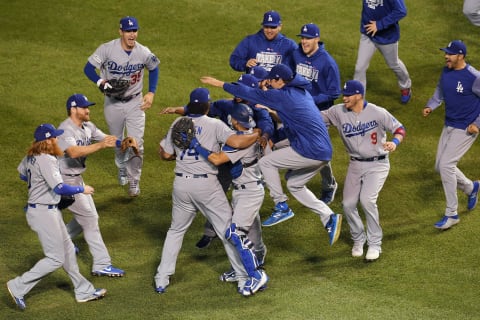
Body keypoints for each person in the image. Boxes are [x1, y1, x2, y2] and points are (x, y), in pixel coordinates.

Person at [201, 64, 342, 246]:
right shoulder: (301, 93)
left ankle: (281, 205)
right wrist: (274, 119)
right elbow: (294, 119)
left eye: (271, 80)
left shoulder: (282, 95)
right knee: (295, 184)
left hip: (311, 150)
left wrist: (220, 83)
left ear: (280, 80)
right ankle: (328, 217)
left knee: (267, 163)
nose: (267, 82)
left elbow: (251, 94)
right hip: (323, 150)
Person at [154, 88, 268, 297]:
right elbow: (237, 142)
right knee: (227, 232)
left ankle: (162, 278)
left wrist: (179, 153)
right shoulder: (215, 124)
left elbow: (165, 154)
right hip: (206, 186)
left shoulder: (177, 124)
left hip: (181, 185)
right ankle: (243, 276)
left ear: (189, 105)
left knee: (176, 230)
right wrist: (258, 133)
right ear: (207, 106)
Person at [161, 74, 273, 254]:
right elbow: (202, 108)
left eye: (241, 88)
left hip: (240, 167)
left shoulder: (259, 111)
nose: (236, 91)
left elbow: (265, 129)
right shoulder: (227, 105)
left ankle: (253, 261)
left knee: (240, 222)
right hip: (226, 158)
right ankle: (211, 232)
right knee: (217, 195)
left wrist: (262, 137)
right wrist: (177, 110)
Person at [7, 124, 106, 311]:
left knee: (68, 250)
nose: (57, 140)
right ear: (47, 140)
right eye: (54, 137)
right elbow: (59, 188)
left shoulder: (30, 156)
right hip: (43, 213)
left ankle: (83, 291)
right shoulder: (46, 159)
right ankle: (17, 286)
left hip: (45, 210)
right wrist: (81, 189)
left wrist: (37, 184)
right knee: (55, 258)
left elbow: (22, 174)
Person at [321, 80, 406, 261]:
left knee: (367, 201)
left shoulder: (377, 112)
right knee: (348, 204)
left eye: (348, 95)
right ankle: (358, 239)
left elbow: (399, 128)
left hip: (378, 164)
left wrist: (395, 142)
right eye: (344, 95)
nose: (344, 98)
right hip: (355, 165)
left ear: (359, 95)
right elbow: (315, 117)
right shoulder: (338, 112)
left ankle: (375, 244)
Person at [190, 103, 268, 284]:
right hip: (249, 188)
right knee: (251, 230)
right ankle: (244, 265)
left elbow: (217, 159)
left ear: (234, 120)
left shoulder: (241, 141)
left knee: (236, 234)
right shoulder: (254, 134)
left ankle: (255, 275)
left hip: (249, 191)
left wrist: (197, 145)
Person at [84, 16, 160, 197]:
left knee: (136, 144)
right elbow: (88, 68)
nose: (132, 34)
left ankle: (134, 180)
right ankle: (121, 167)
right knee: (118, 142)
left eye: (134, 30)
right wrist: (99, 81)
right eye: (128, 31)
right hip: (113, 103)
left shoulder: (143, 52)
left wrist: (151, 92)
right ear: (121, 32)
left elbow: (154, 67)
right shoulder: (107, 49)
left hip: (135, 102)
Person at [57, 94, 125, 277]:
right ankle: (102, 264)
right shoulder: (65, 129)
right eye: (84, 107)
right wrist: (101, 146)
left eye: (88, 106)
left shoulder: (88, 127)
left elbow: (108, 139)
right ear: (73, 109)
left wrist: (124, 143)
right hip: (63, 180)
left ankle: (62, 243)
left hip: (76, 178)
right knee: (90, 219)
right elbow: (73, 152)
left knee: (87, 217)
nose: (88, 110)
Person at [423, 40, 480, 230]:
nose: (446, 56)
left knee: (447, 165)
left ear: (461, 56)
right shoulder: (446, 71)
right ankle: (471, 187)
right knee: (440, 166)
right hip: (449, 123)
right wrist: (431, 105)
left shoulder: (474, 77)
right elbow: (440, 90)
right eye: (446, 53)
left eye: (450, 54)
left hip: (466, 127)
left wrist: (477, 124)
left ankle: (451, 213)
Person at [287, 22, 341, 205]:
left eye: (308, 38)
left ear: (317, 39)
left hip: (319, 113)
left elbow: (334, 92)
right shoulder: (296, 54)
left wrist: (311, 100)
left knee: (320, 150)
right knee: (292, 138)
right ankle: (295, 167)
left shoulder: (327, 62)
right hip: (298, 109)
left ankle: (329, 184)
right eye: (302, 38)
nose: (304, 41)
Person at [353, 0, 412, 103]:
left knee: (394, 64)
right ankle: (357, 100)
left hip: (387, 37)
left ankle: (405, 87)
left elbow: (401, 11)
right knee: (359, 68)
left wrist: (380, 24)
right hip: (368, 34)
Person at [229, 10, 297, 73]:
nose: (269, 30)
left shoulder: (289, 45)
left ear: (280, 27)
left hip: (277, 85)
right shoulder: (250, 41)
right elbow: (234, 59)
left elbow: (300, 63)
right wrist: (245, 64)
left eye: (273, 27)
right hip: (254, 84)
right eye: (266, 27)